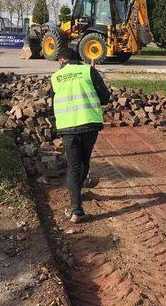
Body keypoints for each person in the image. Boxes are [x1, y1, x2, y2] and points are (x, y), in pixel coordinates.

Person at [49, 48, 110, 223]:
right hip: (89, 125)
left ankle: (76, 209)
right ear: (77, 58)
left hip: (67, 127)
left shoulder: (56, 77)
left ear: (61, 60)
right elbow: (105, 97)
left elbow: (53, 106)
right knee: (84, 162)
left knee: (74, 167)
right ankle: (78, 192)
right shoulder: (88, 71)